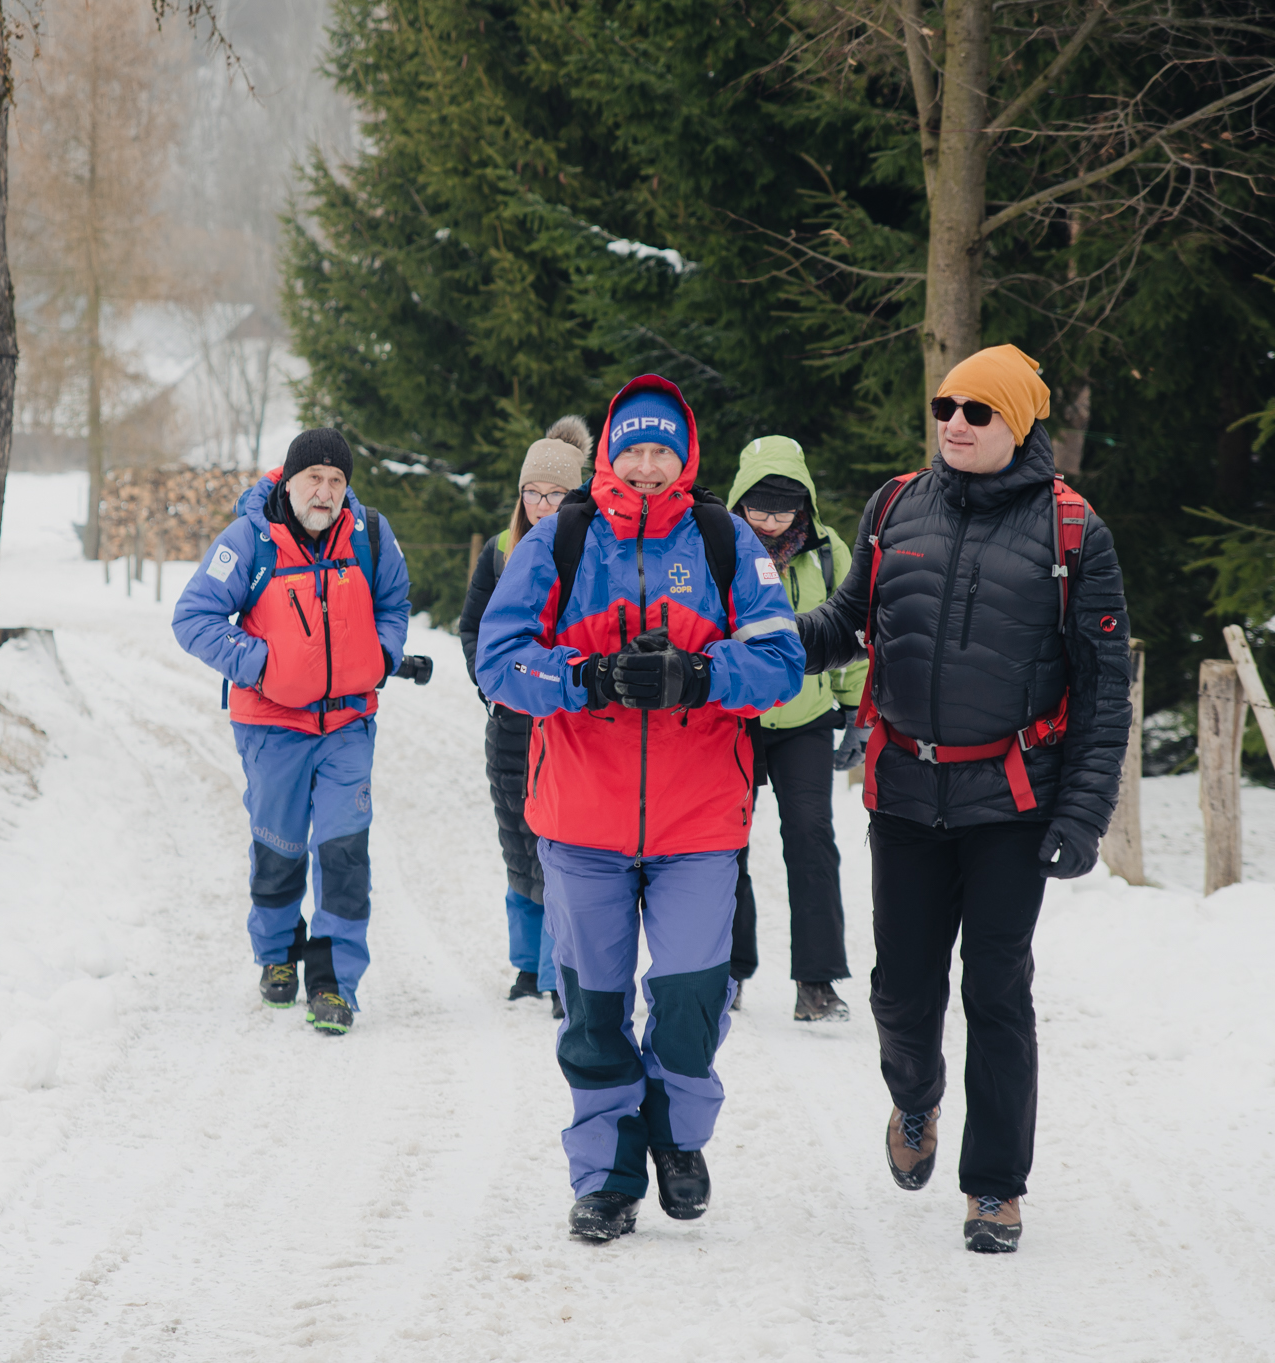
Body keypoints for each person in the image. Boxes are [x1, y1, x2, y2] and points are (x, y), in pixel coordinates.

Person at [796, 344, 1132, 1253]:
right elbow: (845, 621)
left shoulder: (1073, 532)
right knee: (901, 992)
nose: (955, 422)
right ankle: (916, 1097)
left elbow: (1105, 685)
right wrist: (776, 646)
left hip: (1011, 801)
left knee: (996, 988)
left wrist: (1083, 813)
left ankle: (994, 1188)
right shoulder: (896, 504)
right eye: (946, 405)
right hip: (904, 790)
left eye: (977, 411)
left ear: (1016, 423)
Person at [476, 375, 805, 1242]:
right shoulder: (561, 542)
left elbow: (780, 662)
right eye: (634, 450)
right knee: (594, 1009)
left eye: (664, 450)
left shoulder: (726, 541)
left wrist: (702, 674)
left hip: (699, 823)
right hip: (581, 820)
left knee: (695, 1003)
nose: (649, 466)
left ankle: (676, 1132)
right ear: (611, 455)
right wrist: (586, 678)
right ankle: (608, 1173)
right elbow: (499, 661)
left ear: (685, 455)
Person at [171, 428, 431, 1036]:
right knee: (279, 845)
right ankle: (276, 952)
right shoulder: (250, 540)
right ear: (289, 481)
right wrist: (260, 665)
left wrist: (382, 652)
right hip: (271, 725)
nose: (326, 490)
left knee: (344, 851)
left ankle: (333, 983)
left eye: (337, 480)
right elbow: (193, 618)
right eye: (314, 477)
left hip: (347, 722)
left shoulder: (370, 535)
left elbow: (394, 603)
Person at [724, 437, 868, 1023]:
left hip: (804, 718)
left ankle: (817, 982)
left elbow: (850, 638)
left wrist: (856, 712)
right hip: (734, 718)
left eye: (782, 510)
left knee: (811, 839)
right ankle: (728, 970)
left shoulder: (828, 553)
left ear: (803, 505)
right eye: (757, 509)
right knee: (723, 845)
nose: (769, 520)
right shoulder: (717, 546)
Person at [456, 415, 591, 1018]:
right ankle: (523, 965)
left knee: (564, 844)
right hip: (512, 723)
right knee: (519, 844)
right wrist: (492, 692)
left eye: (554, 494)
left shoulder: (592, 550)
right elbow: (473, 630)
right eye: (532, 493)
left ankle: (560, 967)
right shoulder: (500, 552)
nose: (541, 504)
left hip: (568, 724)